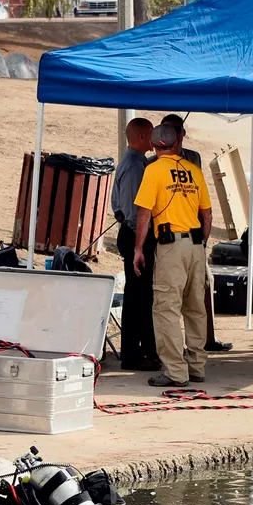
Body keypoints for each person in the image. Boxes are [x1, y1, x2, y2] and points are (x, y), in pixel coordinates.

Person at [133, 124, 212, 388]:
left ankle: (176, 372)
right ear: (176, 143)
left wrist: (138, 249)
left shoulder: (153, 170)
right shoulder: (194, 170)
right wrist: (201, 242)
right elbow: (207, 214)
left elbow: (144, 213)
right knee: (195, 308)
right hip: (195, 245)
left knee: (166, 309)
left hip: (171, 245)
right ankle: (197, 366)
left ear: (155, 146)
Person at [160, 113, 232, 354]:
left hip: (194, 238)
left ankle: (203, 344)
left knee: (201, 292)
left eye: (175, 129)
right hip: (169, 239)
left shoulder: (193, 158)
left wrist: (202, 239)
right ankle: (174, 353)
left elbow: (203, 207)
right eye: (167, 129)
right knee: (169, 301)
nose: (172, 134)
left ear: (182, 134)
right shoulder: (154, 163)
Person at [111, 117, 162, 372]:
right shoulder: (133, 166)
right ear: (142, 137)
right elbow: (134, 211)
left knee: (141, 295)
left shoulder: (138, 162)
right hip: (134, 235)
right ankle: (132, 354)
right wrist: (140, 245)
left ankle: (141, 351)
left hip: (136, 235)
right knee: (137, 297)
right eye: (151, 135)